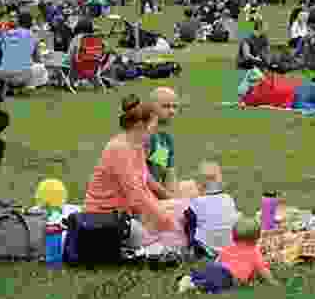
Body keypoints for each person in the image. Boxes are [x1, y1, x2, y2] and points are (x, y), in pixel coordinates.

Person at [85, 95, 177, 248]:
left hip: (127, 215)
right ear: (140, 125)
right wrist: (165, 221)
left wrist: (167, 209)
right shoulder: (119, 148)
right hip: (104, 219)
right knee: (164, 241)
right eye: (153, 126)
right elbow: (136, 197)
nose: (155, 131)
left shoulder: (137, 146)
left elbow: (145, 187)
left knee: (174, 220)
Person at [186, 162, 239, 252]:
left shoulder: (196, 203)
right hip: (229, 246)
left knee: (188, 225)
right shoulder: (228, 199)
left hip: (205, 248)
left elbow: (188, 221)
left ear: (199, 185)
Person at [146, 87, 180, 193]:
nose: (172, 111)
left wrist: (174, 198)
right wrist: (168, 198)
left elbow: (167, 175)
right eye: (166, 106)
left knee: (191, 187)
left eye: (174, 107)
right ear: (151, 108)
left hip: (154, 195)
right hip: (138, 199)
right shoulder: (142, 136)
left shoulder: (165, 139)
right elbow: (140, 178)